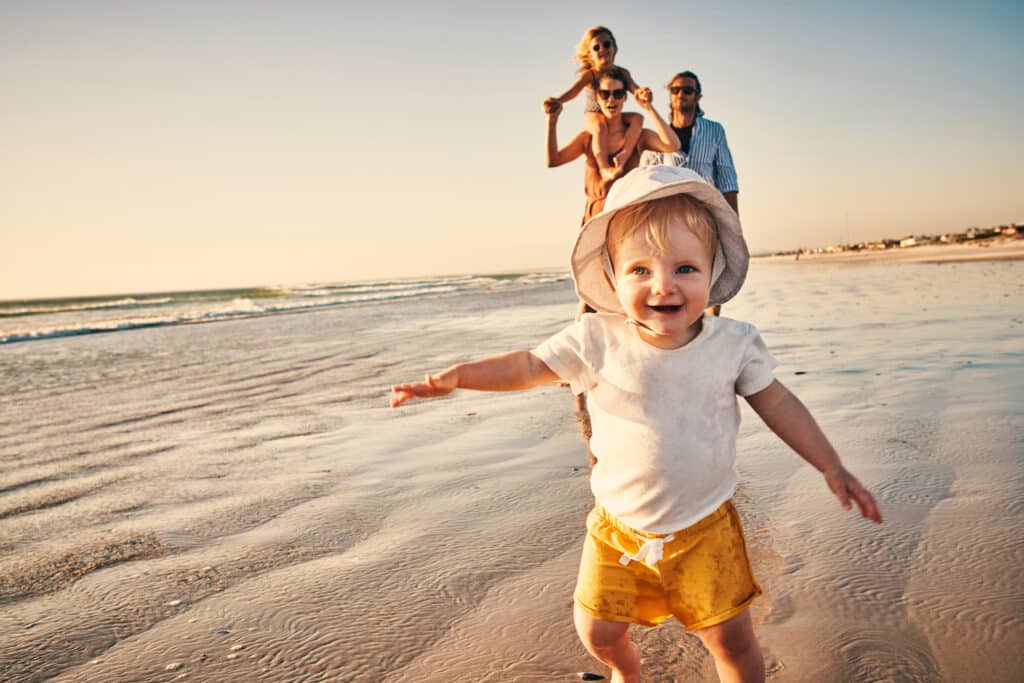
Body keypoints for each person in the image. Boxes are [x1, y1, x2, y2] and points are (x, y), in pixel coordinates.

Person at [390, 165, 883, 682]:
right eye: (640, 270)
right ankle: (628, 675)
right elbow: (529, 366)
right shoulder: (593, 340)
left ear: (713, 272)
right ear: (612, 277)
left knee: (730, 641)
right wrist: (456, 378)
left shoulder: (732, 344)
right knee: (596, 630)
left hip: (705, 528)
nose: (663, 285)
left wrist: (831, 464)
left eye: (685, 269)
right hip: (617, 530)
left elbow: (779, 403)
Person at [546, 68, 681, 224]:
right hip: (595, 219)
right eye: (605, 94)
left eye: (618, 94)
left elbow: (673, 145)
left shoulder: (638, 136)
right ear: (597, 97)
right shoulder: (588, 138)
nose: (611, 99)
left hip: (627, 219)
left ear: (625, 97)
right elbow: (553, 160)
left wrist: (648, 108)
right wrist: (552, 121)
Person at [545, 26, 650, 183]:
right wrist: (558, 101)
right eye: (596, 47)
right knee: (600, 128)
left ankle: (624, 154)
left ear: (614, 48)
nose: (602, 49)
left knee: (638, 119)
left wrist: (641, 92)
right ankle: (604, 168)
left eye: (607, 44)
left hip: (613, 111)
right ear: (590, 54)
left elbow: (634, 88)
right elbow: (573, 91)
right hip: (593, 112)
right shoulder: (590, 74)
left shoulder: (623, 73)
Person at [642, 71, 739, 215]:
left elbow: (727, 181)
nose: (681, 94)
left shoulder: (714, 131)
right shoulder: (658, 138)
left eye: (687, 90)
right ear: (670, 95)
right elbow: (646, 184)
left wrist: (733, 227)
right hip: (669, 218)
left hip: (706, 215)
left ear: (697, 97)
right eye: (675, 90)